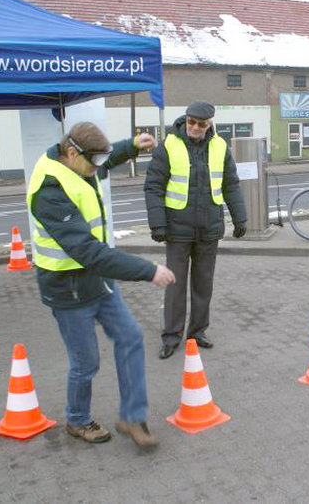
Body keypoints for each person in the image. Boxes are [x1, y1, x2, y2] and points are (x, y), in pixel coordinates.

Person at [27, 121, 175, 446]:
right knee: (86, 363)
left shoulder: (79, 162)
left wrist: (133, 145)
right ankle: (77, 421)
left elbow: (102, 159)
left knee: (131, 338)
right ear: (70, 152)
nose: (98, 168)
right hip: (67, 287)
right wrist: (147, 270)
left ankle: (133, 418)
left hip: (99, 281)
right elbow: (88, 251)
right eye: (93, 162)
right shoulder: (49, 189)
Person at [144, 101, 247, 359]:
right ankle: (171, 336)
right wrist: (158, 223)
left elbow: (231, 185)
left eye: (201, 124)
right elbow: (153, 187)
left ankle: (198, 331)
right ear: (185, 119)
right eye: (191, 122)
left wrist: (240, 218)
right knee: (174, 285)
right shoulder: (168, 145)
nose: (195, 127)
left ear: (210, 124)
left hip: (209, 229)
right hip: (177, 230)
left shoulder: (220, 147)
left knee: (203, 284)